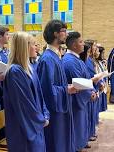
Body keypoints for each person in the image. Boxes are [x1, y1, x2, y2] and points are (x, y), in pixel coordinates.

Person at [3, 31, 49, 152]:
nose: (36, 47)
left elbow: (40, 96)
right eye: (33, 44)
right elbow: (23, 104)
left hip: (35, 123)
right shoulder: (15, 71)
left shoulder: (29, 68)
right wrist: (40, 120)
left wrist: (45, 114)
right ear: (25, 46)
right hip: (24, 127)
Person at [36, 20, 77, 152]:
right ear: (55, 34)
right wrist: (66, 89)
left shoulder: (56, 55)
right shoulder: (47, 59)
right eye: (63, 31)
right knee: (55, 144)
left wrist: (67, 87)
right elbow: (47, 90)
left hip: (61, 109)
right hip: (55, 113)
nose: (66, 34)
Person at [62, 32, 98, 151]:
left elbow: (86, 78)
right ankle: (76, 146)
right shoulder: (69, 61)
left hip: (81, 99)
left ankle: (80, 144)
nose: (83, 45)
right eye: (81, 42)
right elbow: (78, 82)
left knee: (82, 125)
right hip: (75, 101)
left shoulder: (76, 59)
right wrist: (90, 94)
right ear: (73, 45)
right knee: (77, 127)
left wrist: (92, 89)